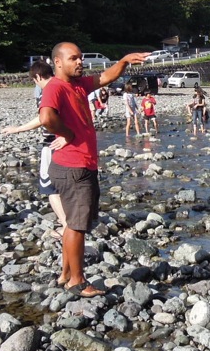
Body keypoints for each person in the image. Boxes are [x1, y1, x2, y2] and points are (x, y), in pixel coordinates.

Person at [40, 42, 148, 296]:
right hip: (73, 167)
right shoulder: (56, 86)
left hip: (75, 165)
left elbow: (105, 77)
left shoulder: (78, 84)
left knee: (71, 223)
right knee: (77, 226)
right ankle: (77, 281)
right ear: (57, 62)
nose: (80, 62)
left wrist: (123, 60)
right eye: (73, 59)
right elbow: (46, 118)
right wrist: (66, 132)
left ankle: (67, 273)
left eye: (81, 58)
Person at [1, 60, 68, 258]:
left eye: (34, 81)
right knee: (68, 186)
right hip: (70, 144)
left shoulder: (48, 91)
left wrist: (18, 128)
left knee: (50, 188)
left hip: (53, 145)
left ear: (38, 77)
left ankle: (66, 225)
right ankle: (75, 221)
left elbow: (44, 118)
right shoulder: (65, 87)